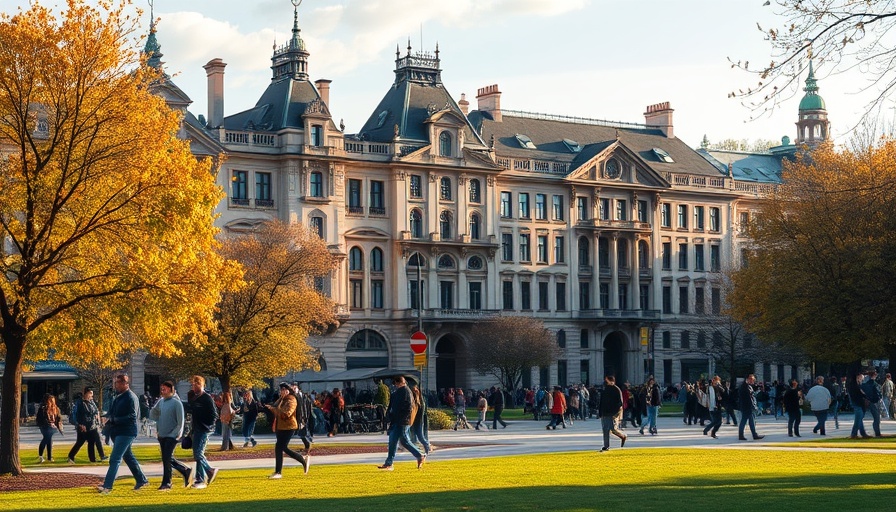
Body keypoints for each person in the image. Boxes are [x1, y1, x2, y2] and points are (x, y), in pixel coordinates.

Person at [98, 374, 148, 494]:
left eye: (118, 383)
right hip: (118, 431)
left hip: (127, 432)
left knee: (115, 458)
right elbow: (113, 412)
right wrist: (106, 417)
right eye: (115, 383)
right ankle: (141, 480)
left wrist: (114, 419)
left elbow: (132, 416)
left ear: (125, 384)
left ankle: (107, 486)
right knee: (128, 456)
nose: (116, 385)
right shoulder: (118, 397)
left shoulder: (130, 397)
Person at [150, 380, 193, 491]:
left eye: (164, 389)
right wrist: (154, 409)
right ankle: (185, 470)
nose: (162, 391)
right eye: (161, 389)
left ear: (170, 389)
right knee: (167, 458)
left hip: (172, 436)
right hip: (162, 435)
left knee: (167, 459)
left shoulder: (176, 403)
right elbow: (154, 416)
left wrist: (176, 434)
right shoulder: (161, 402)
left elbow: (180, 422)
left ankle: (167, 482)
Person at [377, 376, 424, 471]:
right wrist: (389, 416)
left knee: (398, 440)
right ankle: (419, 455)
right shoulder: (398, 392)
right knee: (398, 440)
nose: (396, 385)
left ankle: (390, 463)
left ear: (401, 383)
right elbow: (392, 406)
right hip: (398, 420)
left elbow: (408, 407)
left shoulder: (405, 392)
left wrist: (401, 418)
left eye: (396, 383)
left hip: (401, 421)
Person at [264, 383, 309, 479]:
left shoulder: (291, 399)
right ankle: (278, 471)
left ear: (287, 390)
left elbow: (287, 413)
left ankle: (301, 459)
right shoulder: (282, 399)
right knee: (279, 448)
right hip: (280, 427)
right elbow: (275, 407)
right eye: (280, 390)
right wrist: (268, 407)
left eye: (283, 390)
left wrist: (273, 409)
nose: (281, 392)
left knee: (282, 447)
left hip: (289, 427)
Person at [189, 375, 220, 489]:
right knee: (197, 454)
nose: (193, 386)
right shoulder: (194, 397)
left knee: (198, 453)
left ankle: (209, 470)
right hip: (196, 428)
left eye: (195, 384)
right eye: (192, 384)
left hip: (204, 429)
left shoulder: (206, 398)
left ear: (200, 384)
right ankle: (200, 479)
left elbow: (214, 415)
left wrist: (207, 425)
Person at [67, 387, 106, 463]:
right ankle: (91, 458)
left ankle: (92, 458)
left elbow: (95, 411)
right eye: (90, 393)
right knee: (84, 442)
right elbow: (76, 415)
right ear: (85, 393)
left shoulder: (91, 402)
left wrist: (97, 418)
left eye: (92, 394)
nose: (91, 395)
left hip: (91, 425)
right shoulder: (80, 403)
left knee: (87, 441)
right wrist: (79, 424)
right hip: (83, 425)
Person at [598, 376, 626, 452]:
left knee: (612, 429)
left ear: (611, 381)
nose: (605, 382)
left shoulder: (616, 389)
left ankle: (622, 436)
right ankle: (606, 446)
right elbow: (601, 401)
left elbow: (620, 403)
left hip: (612, 412)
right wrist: (600, 412)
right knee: (605, 429)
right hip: (604, 412)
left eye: (607, 380)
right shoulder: (604, 389)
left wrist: (616, 412)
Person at [36, 393, 63, 463]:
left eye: (52, 400)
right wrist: (48, 424)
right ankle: (42, 456)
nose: (51, 402)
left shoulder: (55, 408)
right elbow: (40, 419)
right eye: (50, 400)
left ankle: (49, 457)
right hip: (45, 426)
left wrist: (58, 423)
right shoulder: (43, 408)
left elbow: (58, 417)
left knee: (49, 439)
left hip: (52, 426)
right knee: (46, 439)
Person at [738, 374, 764, 441]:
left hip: (747, 406)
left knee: (750, 421)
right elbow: (749, 397)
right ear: (748, 379)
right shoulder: (745, 387)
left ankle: (753, 435)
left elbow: (751, 395)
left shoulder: (746, 386)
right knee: (745, 421)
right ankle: (743, 435)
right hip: (747, 406)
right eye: (752, 379)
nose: (753, 381)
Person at [846, 371, 870, 439]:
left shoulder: (854, 385)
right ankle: (854, 434)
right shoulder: (855, 386)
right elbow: (860, 394)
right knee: (858, 419)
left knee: (859, 419)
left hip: (858, 403)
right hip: (857, 403)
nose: (862, 379)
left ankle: (862, 433)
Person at [410, 384, 432, 455]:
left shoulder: (420, 402)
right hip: (416, 421)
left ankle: (427, 446)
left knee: (420, 436)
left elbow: (419, 413)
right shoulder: (417, 402)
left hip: (418, 421)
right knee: (417, 436)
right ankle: (424, 448)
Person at [860, 370, 883, 437]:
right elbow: (877, 393)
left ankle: (876, 432)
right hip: (874, 401)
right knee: (876, 418)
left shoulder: (865, 384)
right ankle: (877, 433)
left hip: (868, 401)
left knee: (862, 417)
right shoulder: (873, 383)